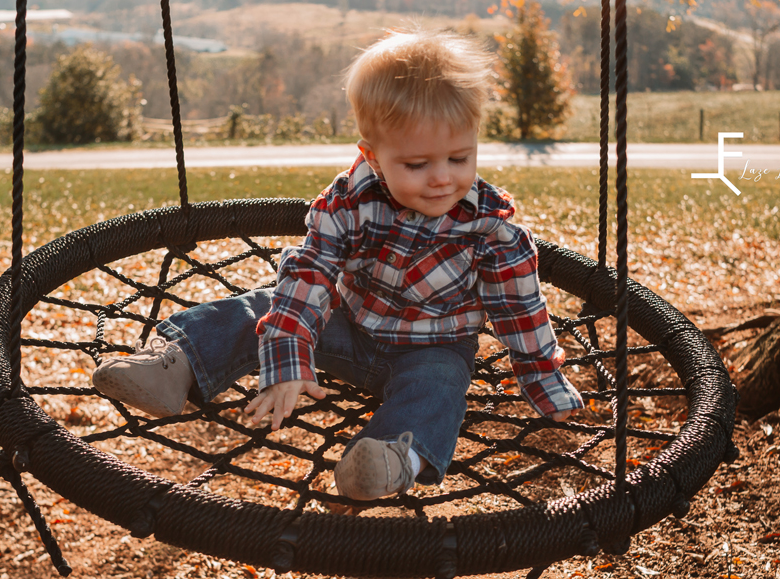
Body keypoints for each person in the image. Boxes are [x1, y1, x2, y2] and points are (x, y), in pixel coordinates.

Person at [92, 29, 583, 500]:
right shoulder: (350, 202)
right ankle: (174, 367)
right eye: (416, 165)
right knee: (262, 307)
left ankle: (391, 459)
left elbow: (521, 311)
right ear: (372, 156)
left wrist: (544, 381)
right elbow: (311, 271)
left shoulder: (490, 232)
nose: (441, 178)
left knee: (442, 388)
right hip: (346, 323)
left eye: (459, 157)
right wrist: (288, 354)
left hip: (432, 348)